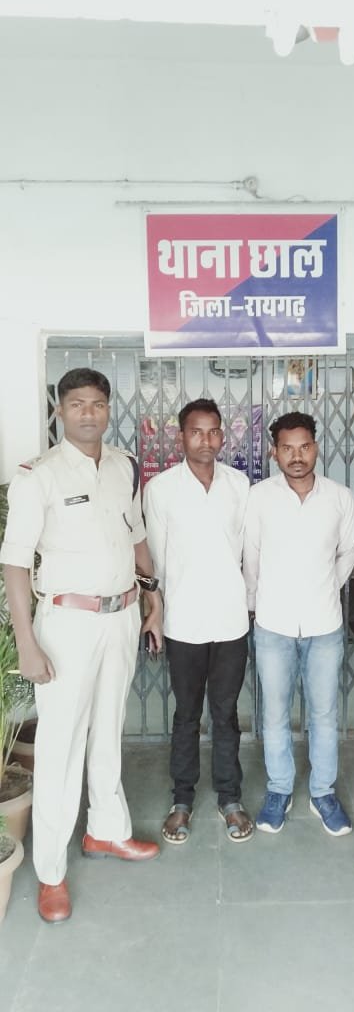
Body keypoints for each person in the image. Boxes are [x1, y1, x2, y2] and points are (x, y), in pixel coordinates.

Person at [0, 368, 163, 924]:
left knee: (109, 729)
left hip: (121, 617)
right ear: (60, 411)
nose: (88, 413)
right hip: (67, 624)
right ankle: (51, 872)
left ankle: (106, 830)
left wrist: (153, 597)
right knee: (60, 747)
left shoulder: (123, 466)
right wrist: (27, 642)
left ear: (109, 408)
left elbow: (136, 537)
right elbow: (15, 564)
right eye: (76, 404)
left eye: (97, 403)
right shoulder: (37, 476)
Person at [243, 412, 354, 835]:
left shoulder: (340, 498)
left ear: (316, 447)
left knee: (324, 714)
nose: (297, 456)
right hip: (273, 625)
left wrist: (324, 588)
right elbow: (251, 556)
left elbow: (348, 553)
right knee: (274, 713)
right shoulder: (259, 497)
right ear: (274, 452)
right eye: (287, 448)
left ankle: (323, 793)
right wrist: (256, 604)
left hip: (324, 624)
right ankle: (279, 790)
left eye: (304, 447)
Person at [143, 398, 253, 843]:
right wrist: (156, 610)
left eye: (213, 431)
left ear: (223, 436)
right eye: (196, 431)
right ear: (180, 436)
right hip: (183, 621)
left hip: (231, 620)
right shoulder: (161, 489)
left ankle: (230, 798)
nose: (205, 440)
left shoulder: (239, 485)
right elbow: (156, 559)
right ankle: (182, 800)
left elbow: (248, 550)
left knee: (226, 715)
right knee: (187, 714)